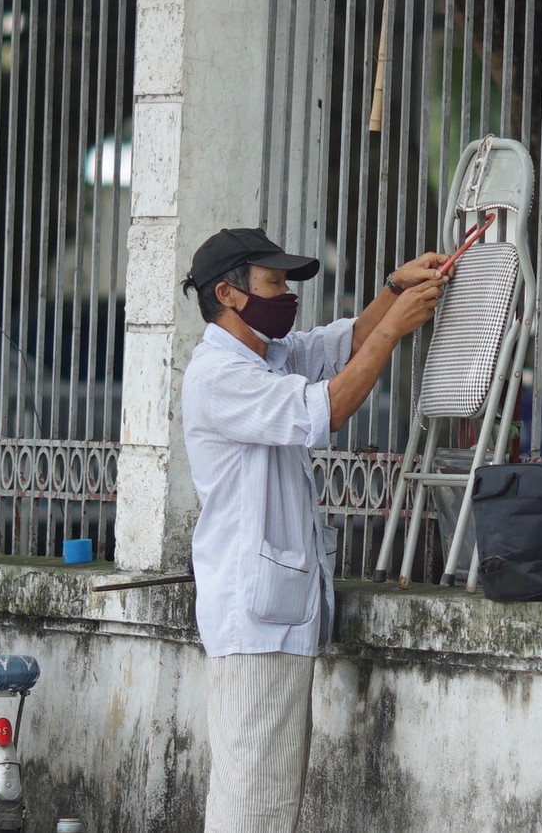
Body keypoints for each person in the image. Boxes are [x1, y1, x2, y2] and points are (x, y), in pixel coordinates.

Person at [180, 227, 449, 832]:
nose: (288, 294)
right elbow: (327, 406)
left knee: (265, 798)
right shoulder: (220, 377)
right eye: (274, 282)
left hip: (272, 618)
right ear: (229, 293)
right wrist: (395, 326)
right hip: (253, 625)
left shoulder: (264, 355)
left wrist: (391, 290)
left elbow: (340, 345)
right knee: (253, 806)